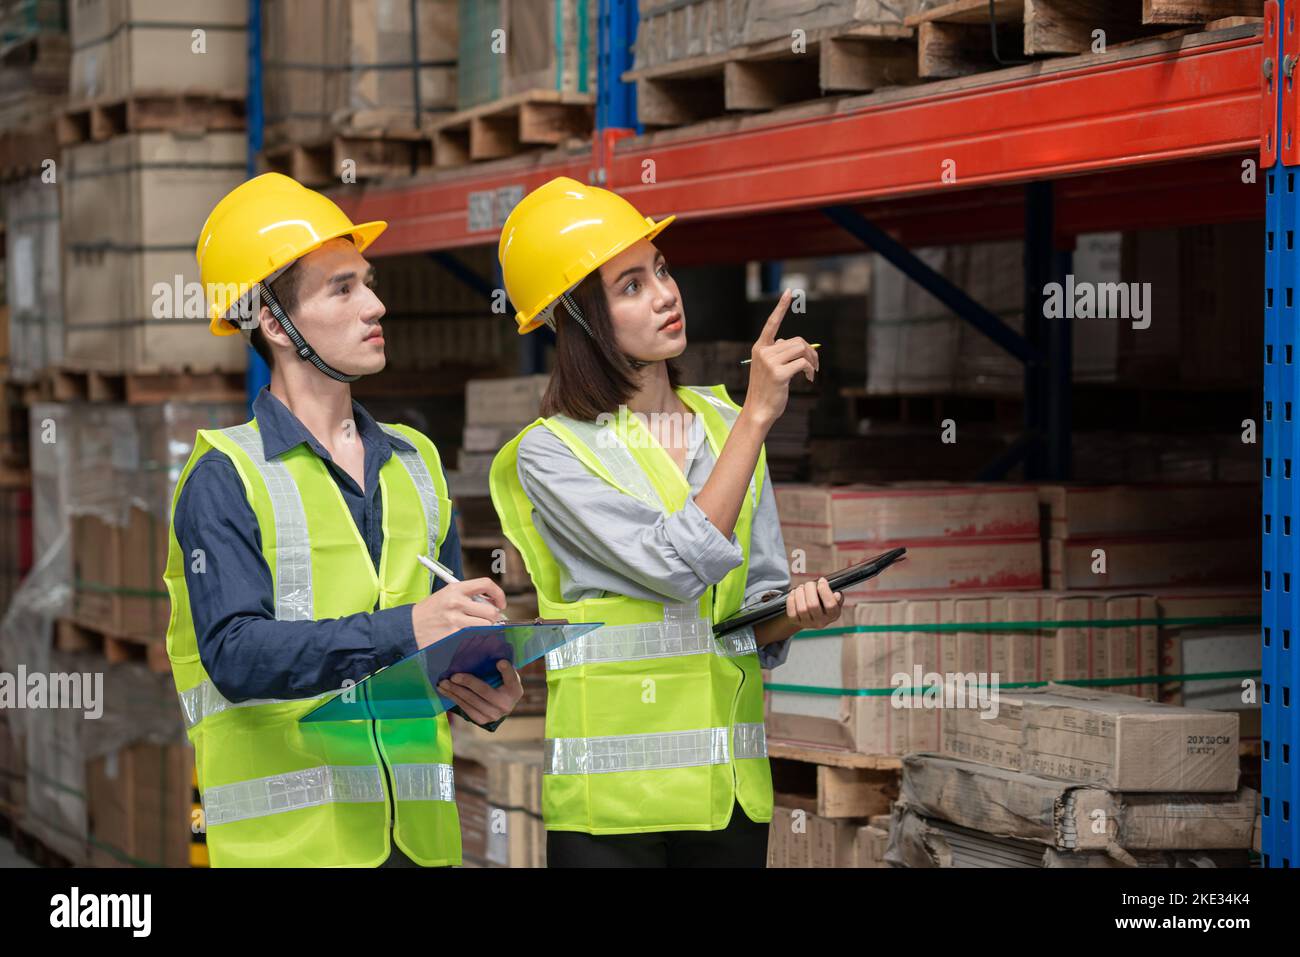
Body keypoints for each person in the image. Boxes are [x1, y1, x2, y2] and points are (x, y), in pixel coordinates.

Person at [163, 173, 522, 867]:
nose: (376, 304)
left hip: (417, 845)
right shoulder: (224, 476)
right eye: (342, 288)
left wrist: (480, 690)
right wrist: (409, 627)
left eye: (368, 281)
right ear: (273, 321)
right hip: (295, 850)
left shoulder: (416, 462)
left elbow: (430, 647)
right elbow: (236, 655)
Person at [489, 176, 845, 867]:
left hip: (729, 798)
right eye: (630, 286)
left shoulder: (722, 422)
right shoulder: (552, 452)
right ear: (580, 316)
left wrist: (795, 613)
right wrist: (759, 414)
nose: (664, 294)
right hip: (614, 814)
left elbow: (747, 610)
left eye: (660, 269)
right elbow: (677, 567)